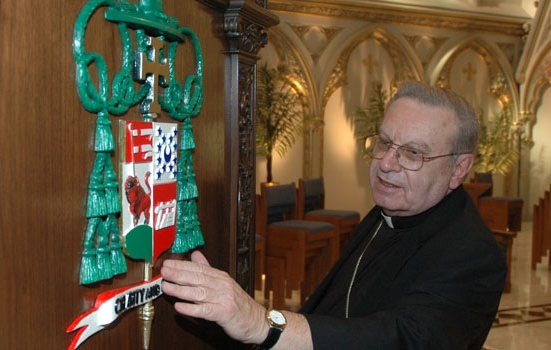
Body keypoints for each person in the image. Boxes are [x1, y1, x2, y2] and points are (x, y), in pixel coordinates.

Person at [160, 81, 507, 349]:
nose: (386, 164)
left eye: (413, 153)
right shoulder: (386, 213)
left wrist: (261, 323)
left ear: (459, 168)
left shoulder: (473, 254)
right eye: (384, 143)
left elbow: (401, 340)